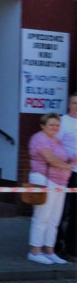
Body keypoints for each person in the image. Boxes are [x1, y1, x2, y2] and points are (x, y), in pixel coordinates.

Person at [26, 113, 76, 264]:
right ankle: (35, 251)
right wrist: (69, 166)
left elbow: (62, 158)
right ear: (43, 126)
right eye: (51, 125)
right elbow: (51, 159)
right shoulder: (39, 139)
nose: (55, 128)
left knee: (54, 219)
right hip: (44, 180)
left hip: (59, 183)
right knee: (42, 217)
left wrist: (71, 162)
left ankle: (49, 250)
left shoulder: (57, 141)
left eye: (57, 125)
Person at [56, 93, 77, 260]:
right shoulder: (63, 122)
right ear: (69, 104)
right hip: (66, 173)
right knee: (61, 211)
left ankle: (72, 248)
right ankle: (56, 246)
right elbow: (55, 145)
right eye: (75, 103)